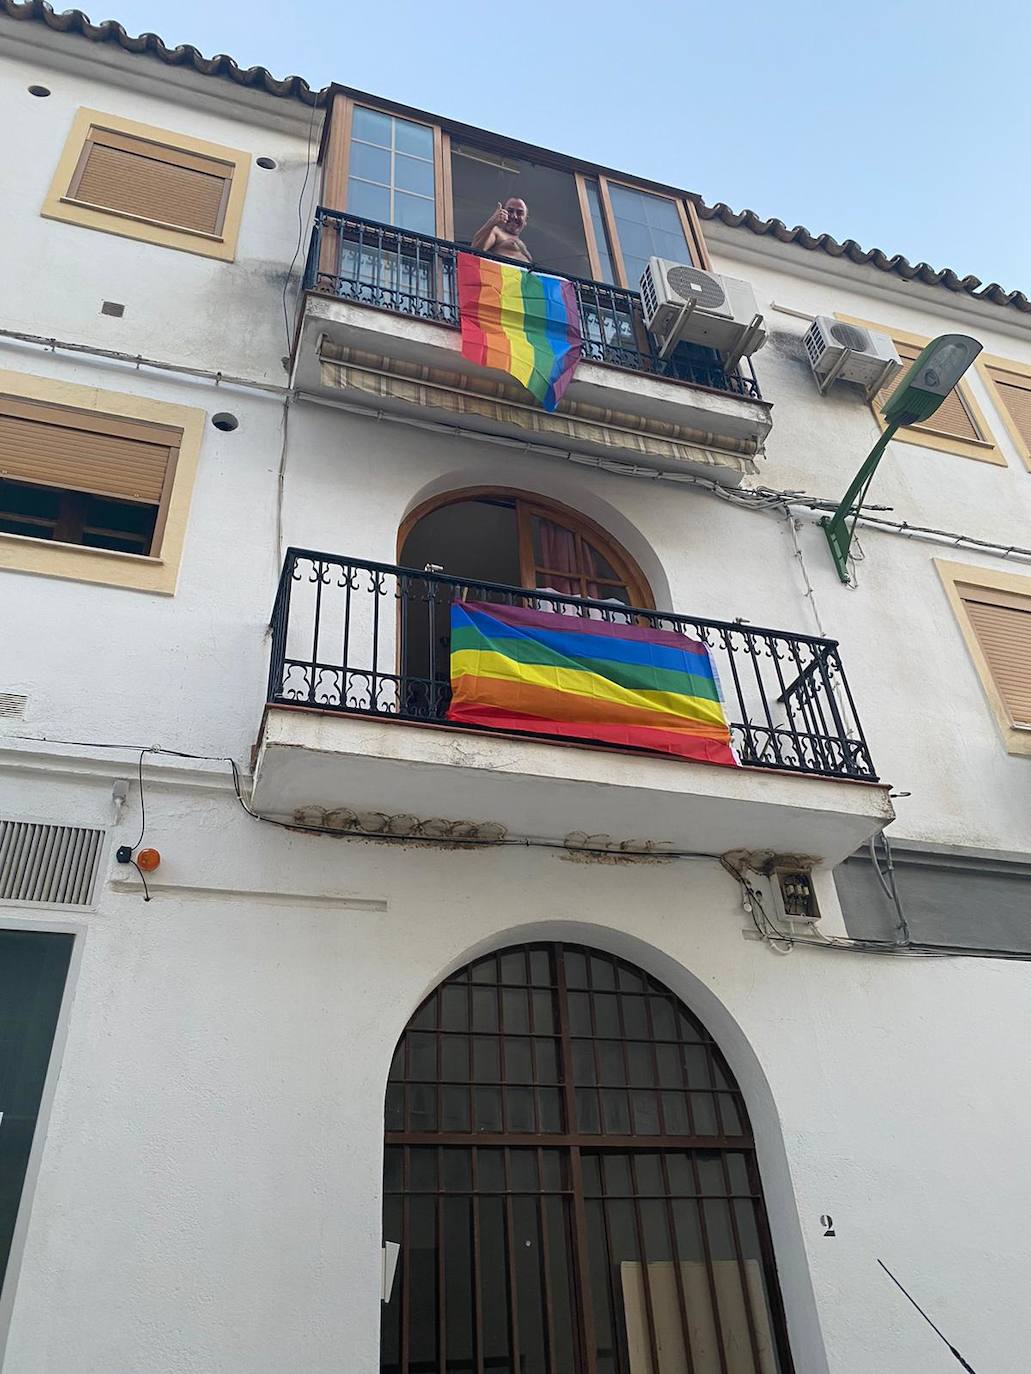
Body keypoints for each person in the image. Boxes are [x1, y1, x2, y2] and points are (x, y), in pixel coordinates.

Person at [470, 198, 531, 265]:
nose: (514, 216)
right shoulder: (496, 231)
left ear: (526, 220)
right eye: (510, 211)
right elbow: (475, 251)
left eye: (519, 213)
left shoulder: (523, 245)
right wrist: (492, 222)